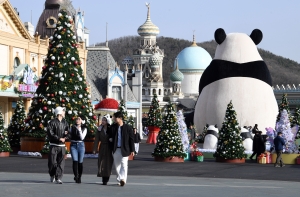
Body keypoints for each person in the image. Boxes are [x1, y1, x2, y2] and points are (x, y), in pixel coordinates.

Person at [109, 111, 134, 187]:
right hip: (116, 149)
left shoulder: (128, 128)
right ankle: (119, 179)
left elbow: (131, 139)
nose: (114, 119)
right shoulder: (113, 127)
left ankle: (123, 179)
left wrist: (132, 150)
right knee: (117, 166)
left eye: (115, 117)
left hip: (125, 149)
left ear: (120, 118)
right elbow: (110, 137)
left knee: (124, 164)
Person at [47, 106, 69, 184]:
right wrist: (59, 138)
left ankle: (58, 177)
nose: (64, 112)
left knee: (61, 163)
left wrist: (66, 137)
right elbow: (50, 133)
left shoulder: (65, 122)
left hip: (62, 146)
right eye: (63, 111)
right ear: (59, 112)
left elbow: (68, 132)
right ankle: (52, 174)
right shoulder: (52, 122)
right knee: (52, 162)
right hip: (53, 145)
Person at [93, 115, 113, 185]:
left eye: (104, 120)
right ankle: (103, 177)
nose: (103, 121)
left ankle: (107, 177)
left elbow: (114, 137)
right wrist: (95, 149)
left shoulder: (111, 129)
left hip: (109, 148)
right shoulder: (99, 129)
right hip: (102, 147)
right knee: (101, 162)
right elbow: (97, 140)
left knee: (108, 162)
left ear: (107, 121)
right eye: (102, 120)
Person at [68, 115, 87, 183]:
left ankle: (79, 177)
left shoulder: (84, 128)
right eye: (76, 119)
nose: (77, 120)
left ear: (82, 121)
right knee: (75, 161)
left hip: (81, 145)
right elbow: (69, 135)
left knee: (80, 162)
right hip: (73, 145)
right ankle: (76, 175)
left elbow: (82, 137)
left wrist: (79, 130)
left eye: (79, 119)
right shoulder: (72, 127)